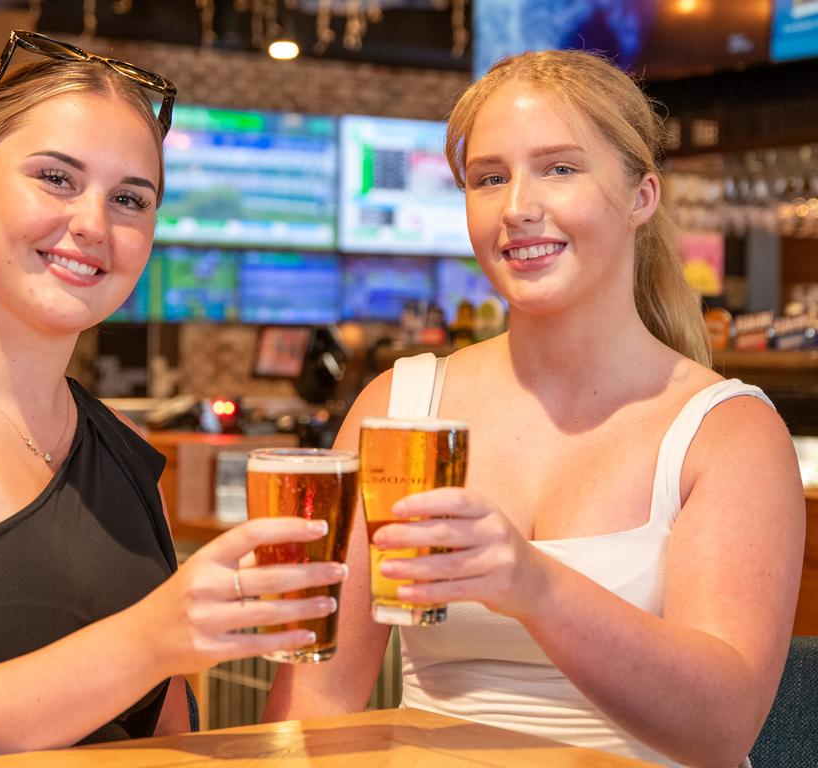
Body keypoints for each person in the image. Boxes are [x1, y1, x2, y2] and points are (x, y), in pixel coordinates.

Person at [0, 31, 345, 768]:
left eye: (129, 199)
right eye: (56, 178)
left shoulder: (112, 439)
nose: (93, 225)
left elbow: (166, 729)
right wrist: (149, 639)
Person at [264, 50, 805, 768]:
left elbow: (721, 728)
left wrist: (533, 584)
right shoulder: (400, 407)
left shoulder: (728, 432)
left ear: (642, 197)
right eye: (490, 178)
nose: (517, 206)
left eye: (559, 168)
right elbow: (320, 699)